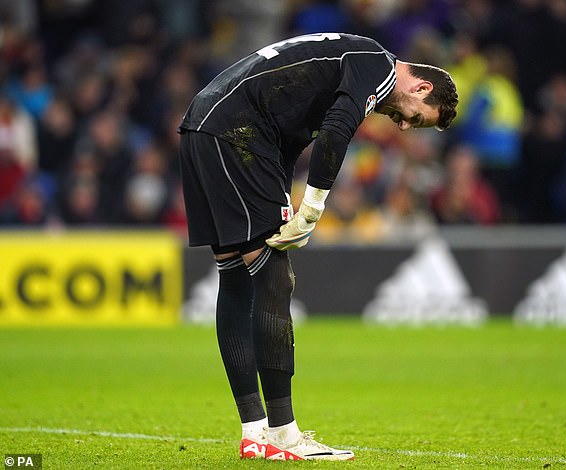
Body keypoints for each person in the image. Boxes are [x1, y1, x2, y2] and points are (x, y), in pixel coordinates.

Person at [177, 32, 458, 461]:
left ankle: (255, 433)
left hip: (203, 122)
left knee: (234, 272)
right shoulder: (377, 65)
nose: (402, 125)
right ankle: (284, 436)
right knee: (273, 275)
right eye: (416, 117)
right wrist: (312, 205)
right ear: (420, 87)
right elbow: (336, 129)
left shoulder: (349, 59)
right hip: (238, 132)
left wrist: (284, 193)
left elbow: (291, 131)